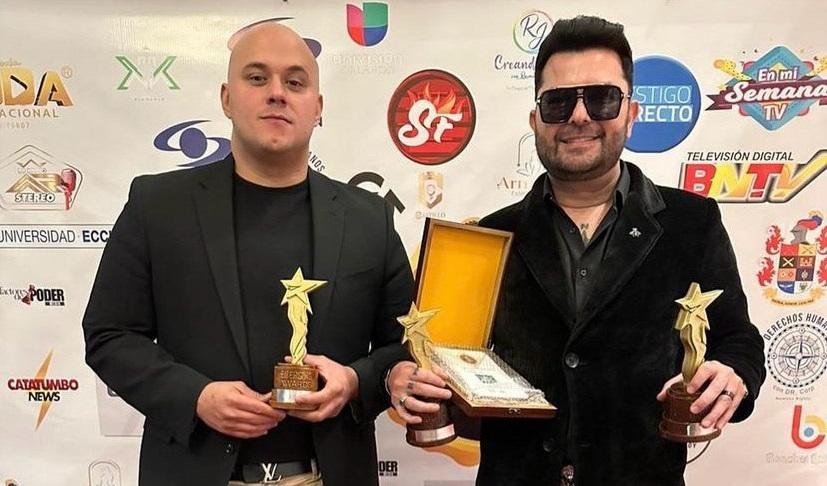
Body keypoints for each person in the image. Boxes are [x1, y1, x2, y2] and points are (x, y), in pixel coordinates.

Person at [391, 15, 765, 486]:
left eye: (602, 98)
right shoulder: (489, 237)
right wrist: (414, 381)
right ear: (535, 120)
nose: (580, 116)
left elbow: (738, 338)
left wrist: (733, 373)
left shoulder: (692, 224)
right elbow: (445, 360)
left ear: (631, 112)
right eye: (559, 101)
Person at [83, 22, 419, 486]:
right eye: (257, 78)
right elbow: (110, 335)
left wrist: (355, 382)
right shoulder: (156, 206)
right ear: (226, 98)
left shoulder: (370, 219)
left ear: (318, 107)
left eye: (295, 82)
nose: (277, 93)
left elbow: (406, 346)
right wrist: (195, 397)